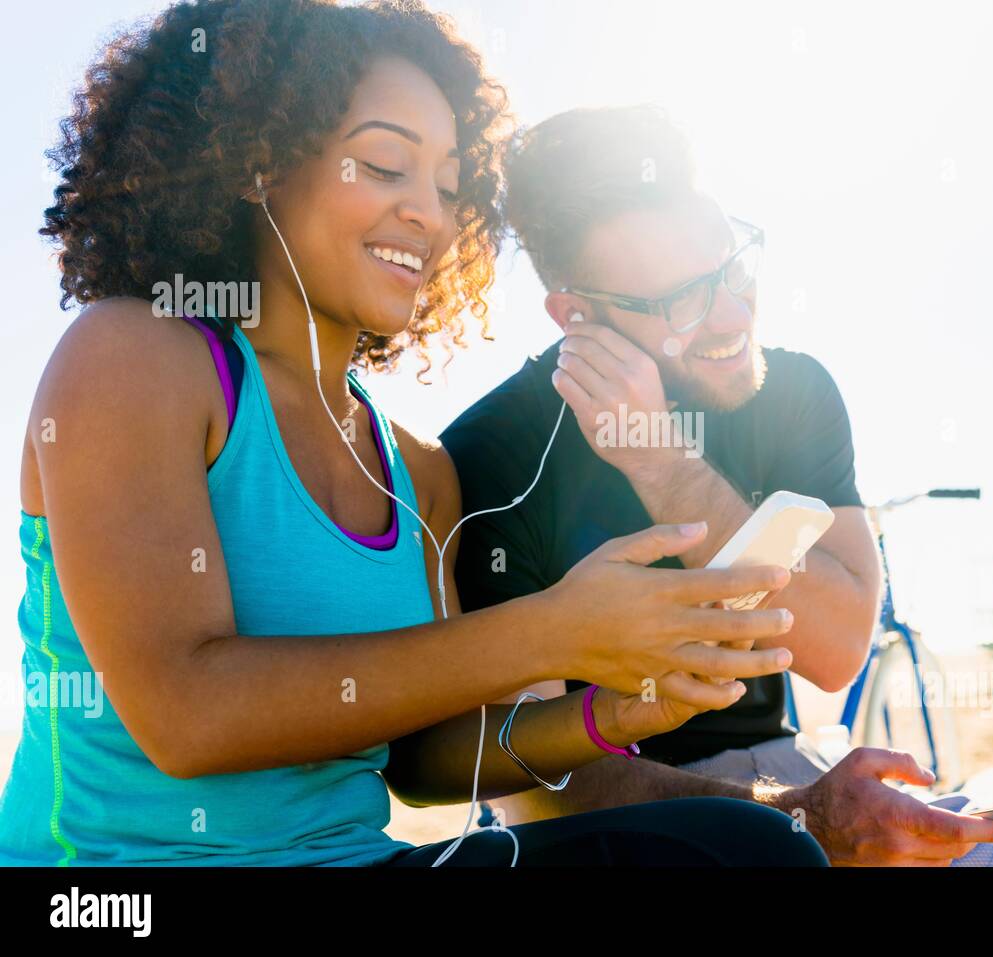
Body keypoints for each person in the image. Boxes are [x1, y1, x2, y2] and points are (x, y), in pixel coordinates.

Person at [0, 0, 826, 868]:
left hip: (363, 861)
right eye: (387, 164)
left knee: (751, 853)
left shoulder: (421, 471)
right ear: (257, 163)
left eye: (449, 184)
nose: (429, 214)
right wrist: (553, 630)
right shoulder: (134, 354)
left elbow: (425, 760)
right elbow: (184, 715)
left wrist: (612, 710)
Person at [442, 104, 993, 867]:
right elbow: (535, 778)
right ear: (577, 315)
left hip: (778, 771)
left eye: (732, 267)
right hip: (607, 831)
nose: (733, 313)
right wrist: (801, 817)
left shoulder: (792, 391)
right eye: (683, 301)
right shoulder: (492, 455)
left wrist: (667, 466)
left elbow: (834, 647)